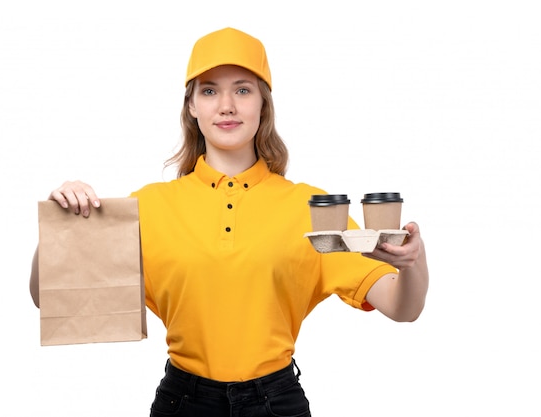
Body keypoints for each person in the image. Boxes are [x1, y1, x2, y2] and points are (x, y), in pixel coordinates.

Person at [29, 27, 429, 417]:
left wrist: (412, 261)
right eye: (209, 91)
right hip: (183, 401)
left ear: (262, 104)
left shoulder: (312, 207)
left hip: (276, 402)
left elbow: (402, 307)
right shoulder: (147, 206)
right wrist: (63, 225)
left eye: (242, 89)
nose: (226, 106)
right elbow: (48, 296)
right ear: (191, 106)